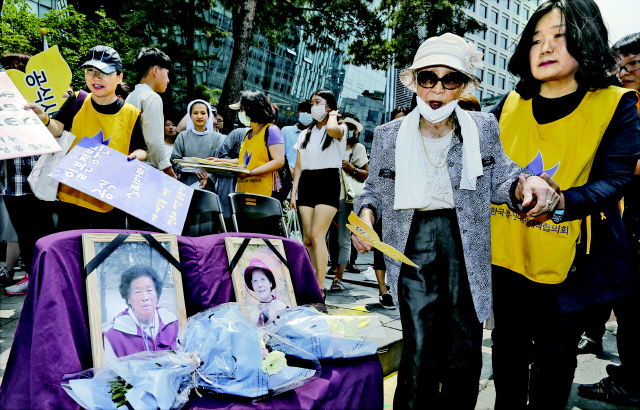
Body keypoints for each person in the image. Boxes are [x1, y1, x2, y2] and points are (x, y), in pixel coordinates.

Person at [351, 33, 559, 409]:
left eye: (451, 80)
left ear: (464, 87)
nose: (437, 89)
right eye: (428, 77)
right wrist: (365, 216)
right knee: (418, 345)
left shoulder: (481, 128)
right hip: (412, 245)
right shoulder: (388, 135)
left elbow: (503, 178)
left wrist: (524, 187)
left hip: (467, 246)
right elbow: (373, 192)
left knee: (464, 347)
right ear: (413, 80)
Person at [488, 2, 640, 409]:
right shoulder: (508, 103)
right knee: (508, 351)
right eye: (536, 39)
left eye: (560, 37)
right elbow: (480, 165)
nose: (545, 48)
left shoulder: (616, 103)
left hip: (575, 260)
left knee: (555, 360)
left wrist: (560, 202)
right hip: (507, 253)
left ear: (586, 38)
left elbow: (616, 179)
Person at [578, 31, 640, 406]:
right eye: (620, 65)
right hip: (627, 221)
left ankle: (629, 384)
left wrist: (609, 164)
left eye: (632, 64)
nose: (624, 71)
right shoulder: (628, 104)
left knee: (632, 309)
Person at [26, 45, 148, 234]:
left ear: (119, 77)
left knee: (105, 256)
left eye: (104, 72)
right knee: (72, 253)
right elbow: (58, 129)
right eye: (90, 71)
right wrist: (45, 119)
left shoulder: (131, 113)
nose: (96, 77)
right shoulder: (77, 100)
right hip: (72, 196)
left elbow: (141, 149)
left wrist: (135, 157)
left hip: (110, 199)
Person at [2, 53, 52, 296]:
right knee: (25, 233)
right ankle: (34, 278)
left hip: (35, 177)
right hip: (11, 179)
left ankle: (43, 280)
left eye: (9, 69)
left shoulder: (39, 99)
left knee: (39, 232)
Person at [290, 90, 348, 297]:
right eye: (312, 102)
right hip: (306, 182)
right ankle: (311, 278)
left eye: (318, 102)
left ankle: (319, 287)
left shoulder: (340, 128)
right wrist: (293, 194)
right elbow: (298, 166)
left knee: (317, 236)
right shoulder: (305, 134)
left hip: (328, 181)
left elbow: (332, 129)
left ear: (329, 106)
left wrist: (332, 115)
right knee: (307, 239)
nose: (313, 106)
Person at [214, 91, 286, 199]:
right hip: (245, 189)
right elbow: (246, 160)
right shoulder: (248, 133)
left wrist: (250, 173)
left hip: (264, 191)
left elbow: (279, 161)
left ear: (252, 109)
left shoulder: (271, 130)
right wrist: (219, 161)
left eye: (242, 109)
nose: (240, 113)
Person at [327, 114, 369, 293]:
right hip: (326, 196)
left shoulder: (358, 148)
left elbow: (366, 174)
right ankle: (322, 271)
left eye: (352, 127)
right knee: (323, 237)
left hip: (346, 198)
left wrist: (351, 168)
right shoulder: (330, 144)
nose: (349, 130)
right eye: (345, 126)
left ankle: (338, 277)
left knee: (343, 239)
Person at [103, 265, 179, 362]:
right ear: (128, 298)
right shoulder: (113, 335)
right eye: (138, 292)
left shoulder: (173, 323)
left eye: (149, 290)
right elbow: (112, 375)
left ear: (157, 294)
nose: (145, 297)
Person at [126, 47, 177, 180]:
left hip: (129, 163)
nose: (168, 80)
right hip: (146, 169)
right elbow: (154, 142)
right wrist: (168, 169)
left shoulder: (131, 96)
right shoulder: (151, 97)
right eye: (167, 73)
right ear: (155, 70)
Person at [171, 99, 224, 190]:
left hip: (208, 184)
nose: (199, 116)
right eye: (195, 113)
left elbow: (219, 163)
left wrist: (207, 176)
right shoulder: (183, 136)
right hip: (185, 183)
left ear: (208, 116)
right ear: (190, 116)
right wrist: (192, 169)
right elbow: (174, 160)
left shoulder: (218, 138)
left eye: (203, 113)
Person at [244, 258, 288, 326]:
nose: (260, 285)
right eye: (255, 281)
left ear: (270, 283)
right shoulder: (253, 315)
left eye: (263, 279)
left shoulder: (283, 309)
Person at [281, 100, 312, 175]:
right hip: (286, 174)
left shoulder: (316, 135)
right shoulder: (286, 131)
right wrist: (290, 172)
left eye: (309, 112)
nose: (306, 114)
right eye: (303, 111)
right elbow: (280, 154)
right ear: (297, 114)